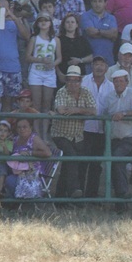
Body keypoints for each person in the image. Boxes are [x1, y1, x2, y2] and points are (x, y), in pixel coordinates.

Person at [0, 0, 31, 133]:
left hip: (13, 68)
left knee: (9, 101)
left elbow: (27, 36)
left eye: (5, 8)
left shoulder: (15, 23)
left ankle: (4, 132)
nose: (1, 11)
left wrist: (14, 18)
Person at [50, 66, 96, 199]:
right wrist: (82, 110)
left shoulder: (86, 92)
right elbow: (61, 110)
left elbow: (94, 110)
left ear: (80, 81)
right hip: (60, 134)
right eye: (69, 80)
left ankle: (61, 198)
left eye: (75, 80)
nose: (72, 83)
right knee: (71, 156)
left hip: (78, 135)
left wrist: (76, 110)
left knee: (70, 163)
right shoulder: (61, 92)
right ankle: (74, 189)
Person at [102, 69, 132, 210]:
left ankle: (122, 193)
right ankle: (121, 203)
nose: (118, 83)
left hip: (129, 137)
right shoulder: (108, 97)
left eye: (121, 80)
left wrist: (124, 114)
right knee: (115, 163)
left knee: (116, 159)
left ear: (127, 82)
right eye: (116, 80)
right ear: (112, 82)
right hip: (113, 138)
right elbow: (103, 115)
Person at [80, 56, 115, 198]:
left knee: (96, 165)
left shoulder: (111, 86)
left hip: (102, 131)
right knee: (82, 163)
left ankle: (92, 195)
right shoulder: (83, 82)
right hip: (84, 128)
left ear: (106, 67)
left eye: (102, 64)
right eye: (96, 64)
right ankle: (79, 193)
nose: (99, 67)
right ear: (91, 66)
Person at [25, 11, 62, 139]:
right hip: (36, 73)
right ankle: (36, 134)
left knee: (47, 104)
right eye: (41, 20)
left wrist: (53, 64)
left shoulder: (56, 40)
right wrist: (41, 60)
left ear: (50, 23)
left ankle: (44, 135)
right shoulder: (34, 39)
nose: (43, 22)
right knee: (36, 104)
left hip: (49, 74)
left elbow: (59, 58)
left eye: (46, 20)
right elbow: (28, 57)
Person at [3, 117, 52, 199]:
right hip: (16, 169)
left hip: (31, 174)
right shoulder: (16, 139)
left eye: (24, 127)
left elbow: (48, 153)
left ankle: (16, 202)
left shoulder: (34, 139)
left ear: (30, 127)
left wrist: (30, 153)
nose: (22, 129)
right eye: (19, 127)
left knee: (9, 180)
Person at [80, 0, 118, 66]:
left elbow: (114, 35)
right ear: (91, 3)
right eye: (95, 1)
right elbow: (91, 32)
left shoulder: (111, 18)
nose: (97, 4)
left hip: (108, 60)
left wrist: (98, 31)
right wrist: (107, 33)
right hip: (90, 61)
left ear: (105, 3)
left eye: (100, 1)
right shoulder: (85, 16)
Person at [57, 13, 93, 81]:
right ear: (64, 25)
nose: (70, 24)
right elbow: (54, 58)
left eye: (72, 22)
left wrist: (80, 60)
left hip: (80, 75)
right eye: (67, 22)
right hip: (64, 75)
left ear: (76, 25)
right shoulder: (58, 40)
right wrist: (59, 74)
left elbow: (91, 57)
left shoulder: (82, 40)